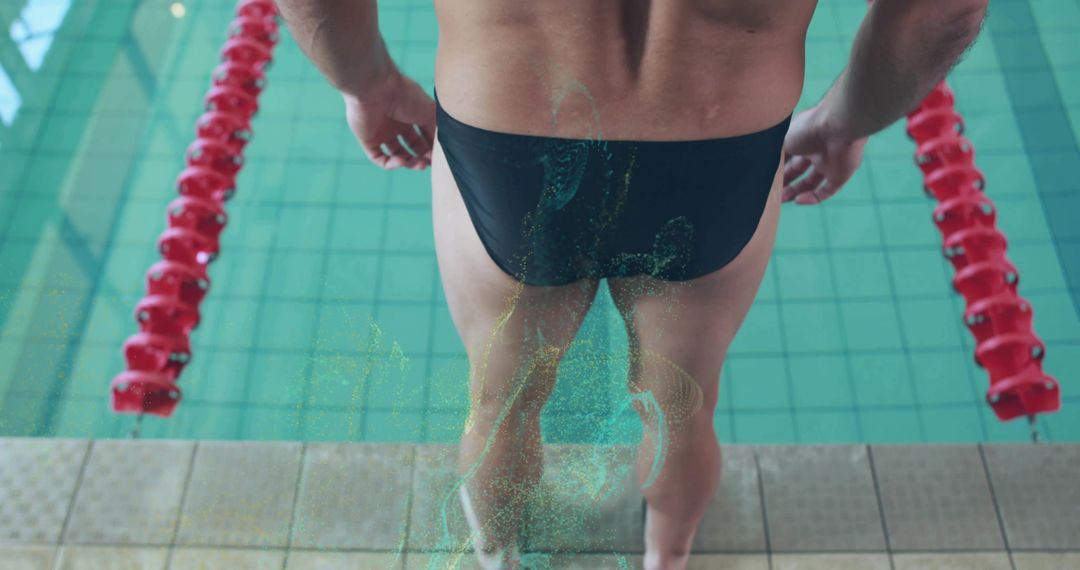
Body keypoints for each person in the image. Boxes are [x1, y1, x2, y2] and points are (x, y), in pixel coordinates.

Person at [275, 0, 990, 568]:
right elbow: (942, 10)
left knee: (501, 402)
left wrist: (368, 82)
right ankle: (666, 557)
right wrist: (845, 122)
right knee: (679, 408)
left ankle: (499, 557)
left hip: (513, 134)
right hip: (718, 142)